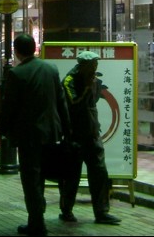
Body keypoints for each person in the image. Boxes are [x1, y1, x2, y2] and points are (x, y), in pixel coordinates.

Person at [0, 34, 70, 237]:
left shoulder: (16, 73)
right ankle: (37, 217)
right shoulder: (51, 69)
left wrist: (4, 130)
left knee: (31, 178)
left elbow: (9, 106)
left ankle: (37, 221)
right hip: (50, 133)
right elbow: (61, 101)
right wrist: (67, 129)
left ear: (17, 51)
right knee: (42, 174)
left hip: (28, 134)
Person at [58, 50, 120, 225]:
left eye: (96, 65)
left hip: (92, 134)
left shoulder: (92, 79)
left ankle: (101, 212)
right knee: (71, 175)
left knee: (100, 173)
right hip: (75, 136)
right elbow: (74, 105)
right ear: (83, 66)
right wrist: (86, 88)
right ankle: (66, 210)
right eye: (92, 66)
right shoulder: (69, 81)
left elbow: (92, 106)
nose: (95, 69)